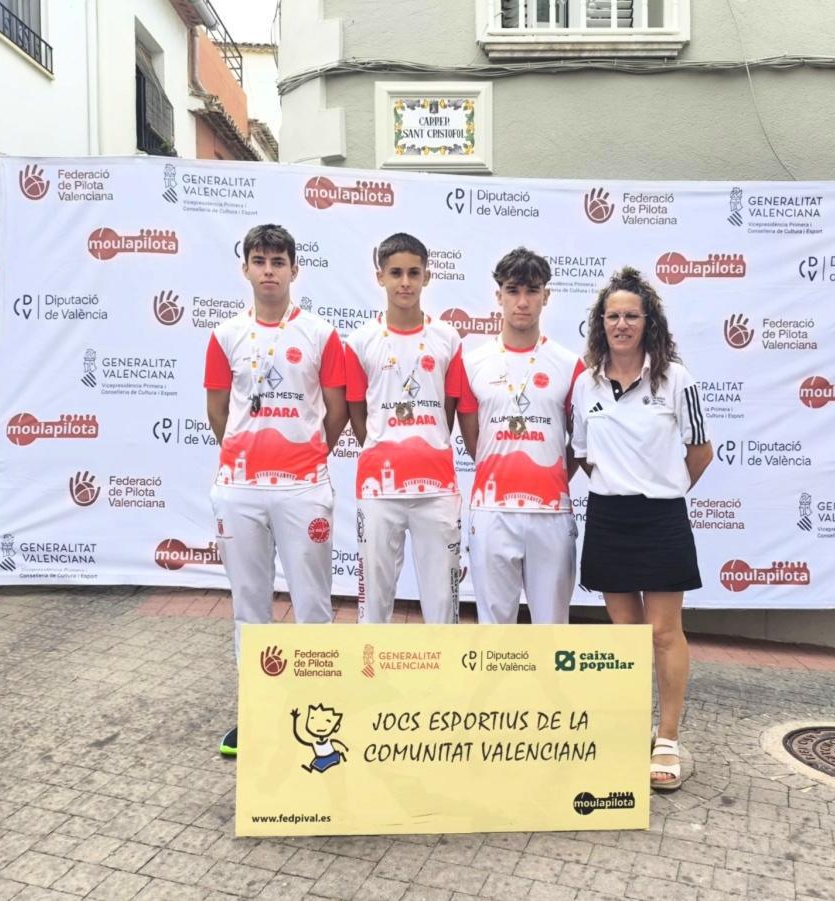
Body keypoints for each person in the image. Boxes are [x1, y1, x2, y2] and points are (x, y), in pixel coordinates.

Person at [204, 224, 348, 757]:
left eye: (278, 261)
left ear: (294, 269)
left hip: (303, 488)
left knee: (312, 604)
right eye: (259, 260)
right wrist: (246, 456)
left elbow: (336, 412)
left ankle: (319, 716)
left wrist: (306, 456)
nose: (269, 270)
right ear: (245, 268)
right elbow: (218, 410)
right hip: (239, 489)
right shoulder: (224, 334)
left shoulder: (320, 333)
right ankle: (258, 712)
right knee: (250, 606)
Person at [570, 266, 713, 792]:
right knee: (627, 636)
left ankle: (668, 738)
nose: (622, 323)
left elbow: (700, 453)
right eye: (613, 315)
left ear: (647, 320)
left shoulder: (677, 378)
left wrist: (663, 488)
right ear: (600, 323)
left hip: (661, 518)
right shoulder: (585, 385)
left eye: (632, 315)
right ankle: (630, 731)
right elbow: (583, 456)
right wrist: (620, 482)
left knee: (663, 632)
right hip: (610, 516)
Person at [454, 247, 584, 624]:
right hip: (492, 511)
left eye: (532, 291)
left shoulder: (570, 364)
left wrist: (551, 477)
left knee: (552, 628)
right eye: (513, 290)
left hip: (551, 514)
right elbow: (472, 438)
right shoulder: (473, 362)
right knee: (495, 629)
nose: (522, 302)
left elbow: (577, 442)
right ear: (499, 296)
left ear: (547, 296)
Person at [345, 233, 463, 624]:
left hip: (437, 487)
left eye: (414, 272)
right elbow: (356, 410)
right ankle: (369, 677)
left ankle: (444, 681)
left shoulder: (448, 339)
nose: (405, 282)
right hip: (380, 488)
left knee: (442, 600)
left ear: (427, 276)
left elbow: (449, 408)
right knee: (375, 597)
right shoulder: (360, 341)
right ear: (380, 277)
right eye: (396, 273)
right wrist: (384, 447)